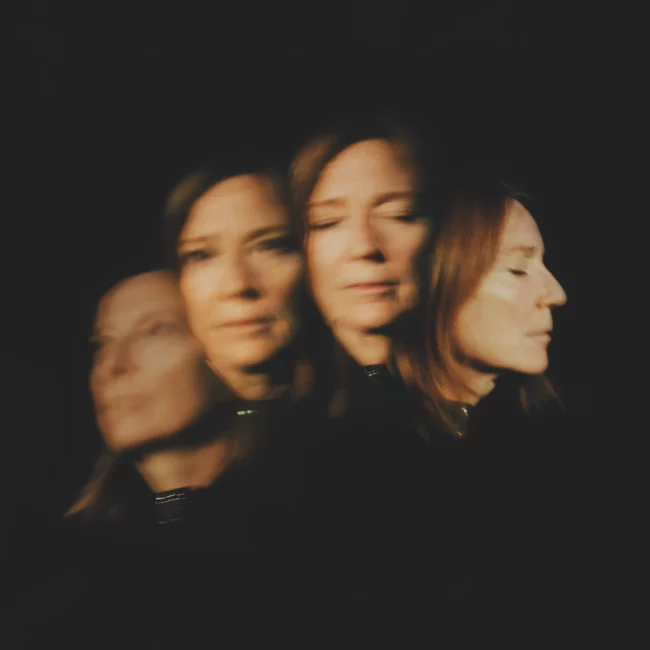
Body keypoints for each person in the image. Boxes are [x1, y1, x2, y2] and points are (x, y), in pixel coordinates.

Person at [393, 176, 569, 638]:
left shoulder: (553, 443)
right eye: (518, 269)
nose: (555, 292)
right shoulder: (367, 460)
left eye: (544, 265)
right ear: (438, 275)